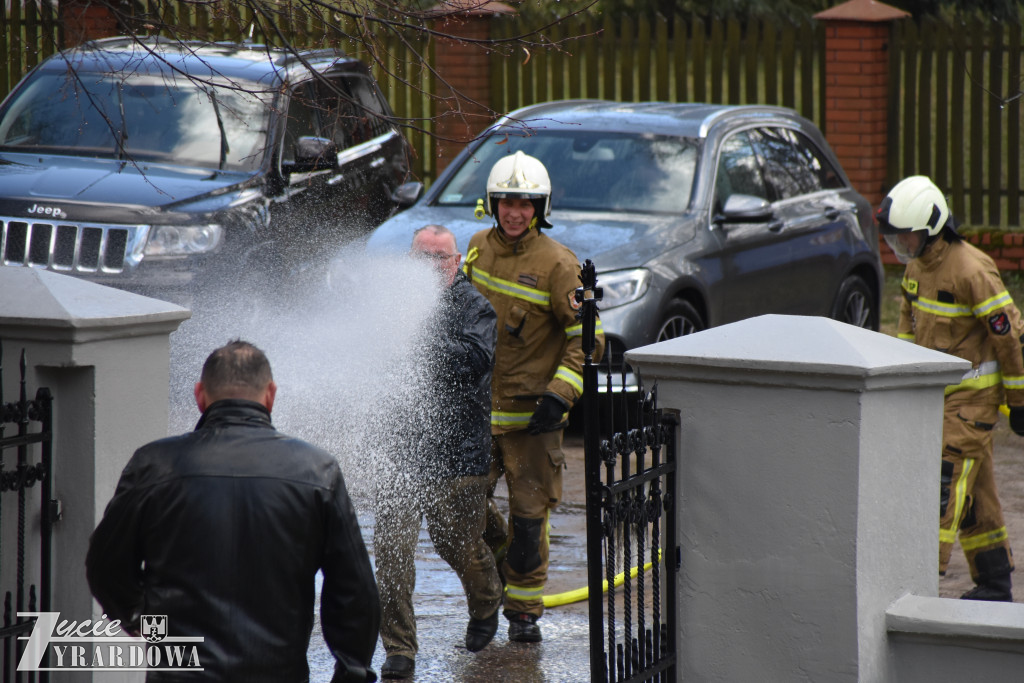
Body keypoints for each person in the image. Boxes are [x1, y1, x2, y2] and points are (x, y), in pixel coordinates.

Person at [86, 340, 380, 682]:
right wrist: (352, 672)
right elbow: (354, 591)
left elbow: (105, 567)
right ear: (270, 394)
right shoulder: (316, 471)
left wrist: (149, 625)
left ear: (200, 395)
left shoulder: (155, 465)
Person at [463, 151, 605, 642]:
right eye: (506, 202)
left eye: (525, 204)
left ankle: (523, 615)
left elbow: (588, 341)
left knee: (528, 526)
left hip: (531, 422)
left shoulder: (558, 264)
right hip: (478, 415)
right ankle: (486, 598)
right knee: (460, 511)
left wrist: (559, 396)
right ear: (492, 203)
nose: (515, 212)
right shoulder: (478, 248)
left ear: (539, 208)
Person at [878, 175, 1024, 602]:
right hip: (934, 401)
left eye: (906, 238)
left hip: (971, 404)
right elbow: (907, 326)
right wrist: (900, 383)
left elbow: (1009, 338)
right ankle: (995, 584)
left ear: (932, 228)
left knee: (940, 487)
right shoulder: (916, 267)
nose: (900, 247)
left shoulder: (972, 270)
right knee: (977, 495)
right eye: (896, 240)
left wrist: (1019, 401)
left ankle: (920, 581)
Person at [374, 225, 504, 679]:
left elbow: (473, 359)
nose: (429, 267)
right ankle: (399, 649)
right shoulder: (390, 305)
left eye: (439, 258)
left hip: (458, 455)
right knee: (391, 554)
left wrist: (418, 333)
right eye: (420, 258)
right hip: (402, 452)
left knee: (458, 545)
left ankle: (487, 601)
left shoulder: (475, 307)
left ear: (456, 263)